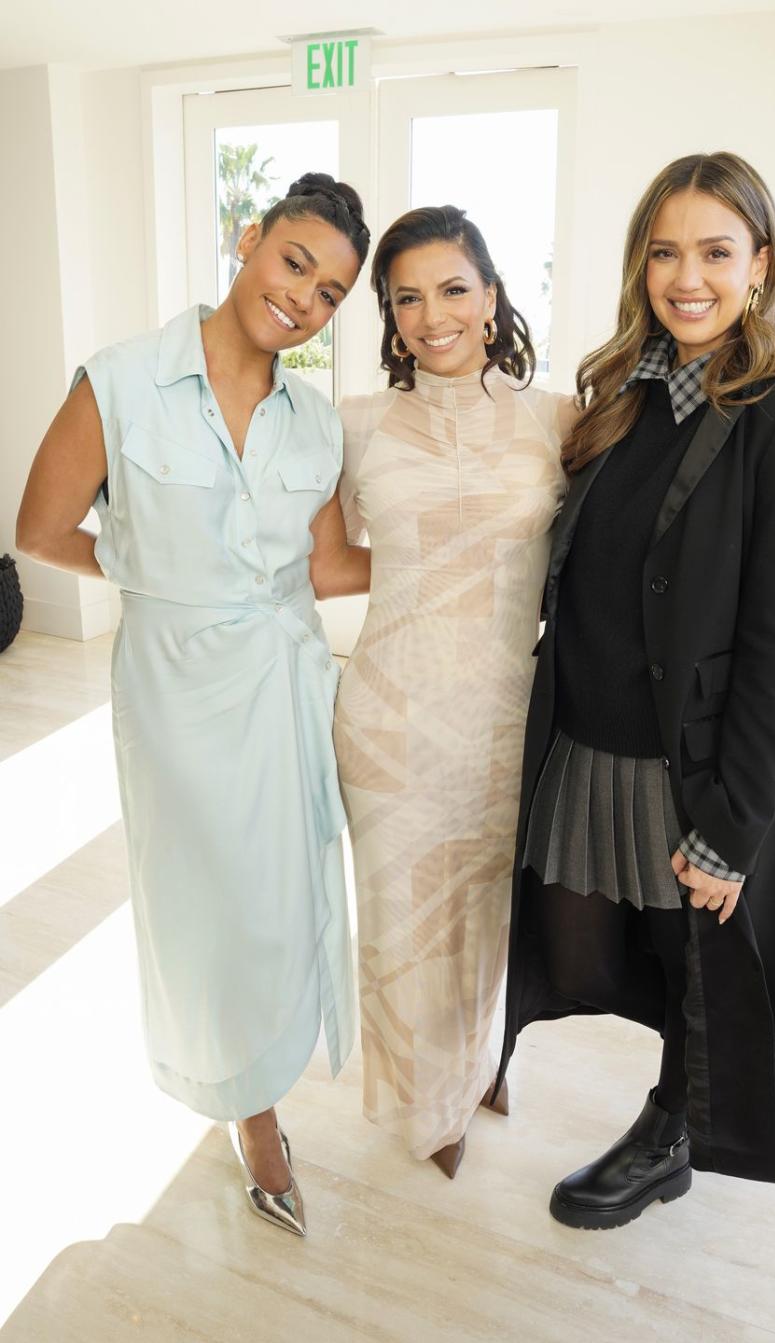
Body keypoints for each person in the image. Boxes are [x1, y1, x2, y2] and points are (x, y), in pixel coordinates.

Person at [494, 151, 775, 1229]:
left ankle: (673, 1125)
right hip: (590, 743)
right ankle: (664, 1098)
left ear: (760, 265)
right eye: (664, 251)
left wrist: (736, 825)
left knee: (698, 966)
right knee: (586, 945)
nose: (685, 276)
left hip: (694, 761)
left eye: (713, 250)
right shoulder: (620, 396)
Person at [16, 172, 371, 1237]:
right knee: (202, 902)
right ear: (251, 240)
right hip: (174, 693)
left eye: (331, 293)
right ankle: (250, 1114)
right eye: (295, 262)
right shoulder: (119, 381)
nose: (303, 299)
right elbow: (40, 528)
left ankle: (264, 1075)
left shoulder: (314, 423)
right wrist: (147, 564)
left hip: (282, 682)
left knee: (277, 894)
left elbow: (325, 566)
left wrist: (456, 544)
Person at [321, 206, 574, 1178]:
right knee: (402, 914)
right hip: (390, 714)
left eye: (453, 289)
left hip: (510, 714)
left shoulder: (558, 418)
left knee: (492, 909)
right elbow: (329, 564)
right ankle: (435, 1103)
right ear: (388, 315)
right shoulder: (355, 424)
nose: (433, 315)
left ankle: (483, 1056)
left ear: (493, 296)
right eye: (407, 297)